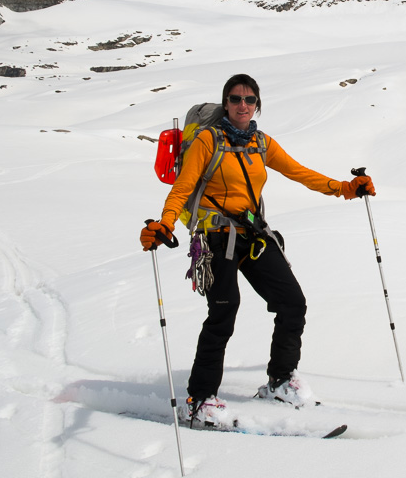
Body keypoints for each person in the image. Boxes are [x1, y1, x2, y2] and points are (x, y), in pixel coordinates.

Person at [139, 74, 375, 428]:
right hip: (215, 237)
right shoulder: (207, 140)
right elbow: (182, 187)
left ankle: (280, 380)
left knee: (292, 303)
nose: (242, 105)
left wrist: (344, 188)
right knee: (224, 311)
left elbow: (299, 173)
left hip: (252, 233)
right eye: (235, 99)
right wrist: (165, 224)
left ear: (257, 105)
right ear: (226, 104)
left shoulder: (260, 143)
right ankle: (199, 399)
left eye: (249, 100)